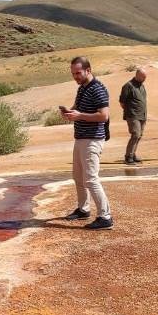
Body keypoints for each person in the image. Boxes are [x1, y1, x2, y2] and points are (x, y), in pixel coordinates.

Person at [62, 56, 114, 229]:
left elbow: (103, 115)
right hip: (81, 138)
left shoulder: (97, 89)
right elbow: (79, 109)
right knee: (78, 177)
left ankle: (105, 217)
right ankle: (83, 209)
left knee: (91, 179)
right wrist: (70, 113)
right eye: (73, 74)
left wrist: (80, 116)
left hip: (92, 139)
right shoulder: (82, 88)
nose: (75, 77)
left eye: (78, 73)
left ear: (88, 70)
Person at [119, 67, 147, 164]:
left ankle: (133, 154)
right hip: (133, 115)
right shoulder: (128, 86)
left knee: (139, 135)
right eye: (143, 77)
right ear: (137, 75)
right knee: (135, 134)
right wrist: (130, 111)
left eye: (145, 77)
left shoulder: (142, 86)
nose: (144, 79)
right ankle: (128, 156)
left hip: (142, 115)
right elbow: (122, 102)